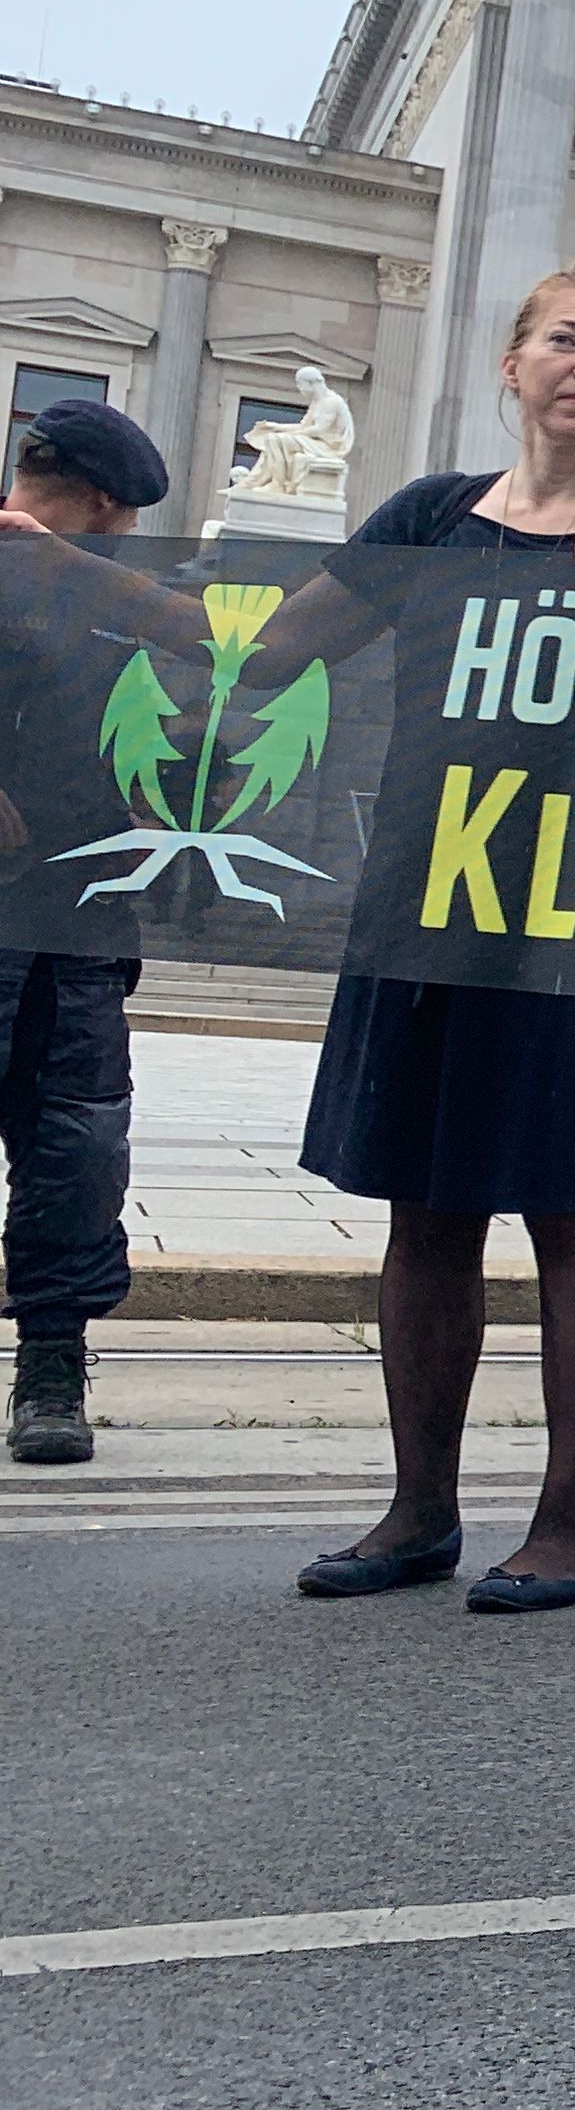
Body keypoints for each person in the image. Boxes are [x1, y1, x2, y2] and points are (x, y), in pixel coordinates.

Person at [267, 261, 575, 1610]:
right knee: (424, 1211)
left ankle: (572, 1521)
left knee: (573, 1209)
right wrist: (65, 570)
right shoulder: (432, 517)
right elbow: (266, 655)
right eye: (567, 339)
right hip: (429, 910)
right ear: (514, 362)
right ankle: (416, 1511)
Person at [0, 400, 181, 1467]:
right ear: (108, 504)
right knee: (73, 1141)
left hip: (77, 915)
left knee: (75, 1150)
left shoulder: (106, 593)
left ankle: (53, 1364)